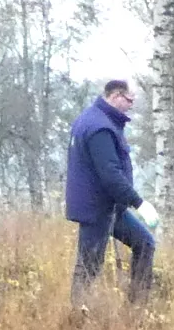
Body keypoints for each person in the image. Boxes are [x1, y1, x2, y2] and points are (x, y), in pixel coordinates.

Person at [66, 79, 155, 304]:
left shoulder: (98, 120)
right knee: (88, 268)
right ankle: (77, 319)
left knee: (144, 243)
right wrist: (139, 203)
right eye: (129, 100)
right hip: (96, 210)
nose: (131, 106)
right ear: (116, 96)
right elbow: (110, 175)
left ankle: (137, 308)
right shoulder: (99, 128)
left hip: (112, 207)